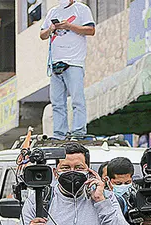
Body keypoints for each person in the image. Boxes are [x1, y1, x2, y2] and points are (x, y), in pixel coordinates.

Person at [40, 0, 95, 140]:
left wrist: (69, 26)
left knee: (77, 100)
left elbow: (91, 30)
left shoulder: (81, 9)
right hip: (55, 62)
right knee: (57, 102)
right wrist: (51, 28)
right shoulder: (53, 11)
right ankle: (59, 133)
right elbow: (42, 35)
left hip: (74, 61)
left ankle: (78, 132)